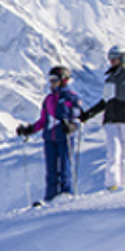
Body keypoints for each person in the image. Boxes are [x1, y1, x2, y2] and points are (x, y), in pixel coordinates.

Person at [78, 45, 125, 190]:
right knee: (112, 152)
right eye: (110, 59)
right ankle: (112, 184)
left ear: (123, 58)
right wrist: (88, 115)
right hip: (111, 119)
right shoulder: (110, 79)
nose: (112, 61)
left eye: (115, 58)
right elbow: (105, 101)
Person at [17, 65, 83, 203]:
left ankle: (67, 195)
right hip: (49, 138)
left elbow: (78, 118)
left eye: (54, 80)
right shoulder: (48, 99)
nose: (51, 83)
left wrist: (71, 126)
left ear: (63, 80)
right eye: (50, 80)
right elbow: (43, 120)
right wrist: (29, 130)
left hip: (64, 137)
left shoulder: (72, 98)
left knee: (65, 168)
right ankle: (50, 198)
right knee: (51, 171)